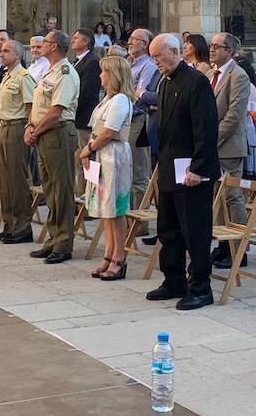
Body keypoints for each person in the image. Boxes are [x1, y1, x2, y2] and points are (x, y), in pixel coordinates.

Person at [146, 33, 220, 310]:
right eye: (152, 58)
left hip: (191, 171)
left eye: (158, 57)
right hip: (168, 167)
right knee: (169, 228)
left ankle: (200, 287)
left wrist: (198, 168)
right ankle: (173, 279)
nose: (156, 63)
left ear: (174, 52)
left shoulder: (196, 83)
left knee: (195, 231)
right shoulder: (166, 82)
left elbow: (205, 128)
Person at [25, 30, 80, 263]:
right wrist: (30, 126)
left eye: (45, 42)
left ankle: (64, 243)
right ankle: (53, 238)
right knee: (49, 188)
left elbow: (57, 111)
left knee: (61, 189)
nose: (41, 45)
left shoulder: (66, 72)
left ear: (55, 46)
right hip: (44, 133)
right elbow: (39, 105)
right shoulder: (49, 70)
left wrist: (35, 131)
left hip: (57, 133)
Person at [80, 54, 136, 280]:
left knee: (115, 209)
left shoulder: (121, 100)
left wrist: (89, 148)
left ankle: (118, 258)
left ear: (113, 75)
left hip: (113, 155)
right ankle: (108, 254)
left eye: (104, 72)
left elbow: (110, 131)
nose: (100, 75)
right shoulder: (108, 99)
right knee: (106, 209)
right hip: (101, 154)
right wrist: (90, 149)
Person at [210, 31, 252, 264]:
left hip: (229, 146)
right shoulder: (211, 73)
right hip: (213, 146)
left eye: (217, 46)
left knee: (232, 197)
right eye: (211, 45)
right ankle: (223, 243)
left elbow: (234, 115)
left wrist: (212, 139)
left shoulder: (238, 75)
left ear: (230, 50)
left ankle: (239, 249)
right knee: (217, 196)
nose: (212, 49)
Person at [0, 40, 36, 243]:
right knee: (5, 180)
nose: (1, 53)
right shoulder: (7, 75)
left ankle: (23, 227)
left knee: (17, 180)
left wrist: (29, 128)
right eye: (1, 50)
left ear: (18, 55)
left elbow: (31, 106)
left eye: (6, 51)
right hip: (4, 126)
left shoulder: (23, 77)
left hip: (17, 128)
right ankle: (9, 224)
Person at [127, 27, 161, 213]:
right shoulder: (129, 62)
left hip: (137, 119)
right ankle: (130, 212)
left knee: (138, 170)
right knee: (127, 168)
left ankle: (139, 217)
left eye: (135, 39)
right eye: (130, 38)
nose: (130, 42)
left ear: (145, 44)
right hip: (124, 119)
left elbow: (139, 95)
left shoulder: (148, 65)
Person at [70, 29, 101, 196]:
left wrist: (71, 108)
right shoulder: (76, 61)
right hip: (75, 118)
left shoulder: (92, 61)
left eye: (76, 38)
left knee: (86, 160)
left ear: (86, 42)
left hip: (83, 117)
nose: (72, 40)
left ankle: (87, 200)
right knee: (77, 161)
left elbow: (86, 92)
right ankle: (79, 195)